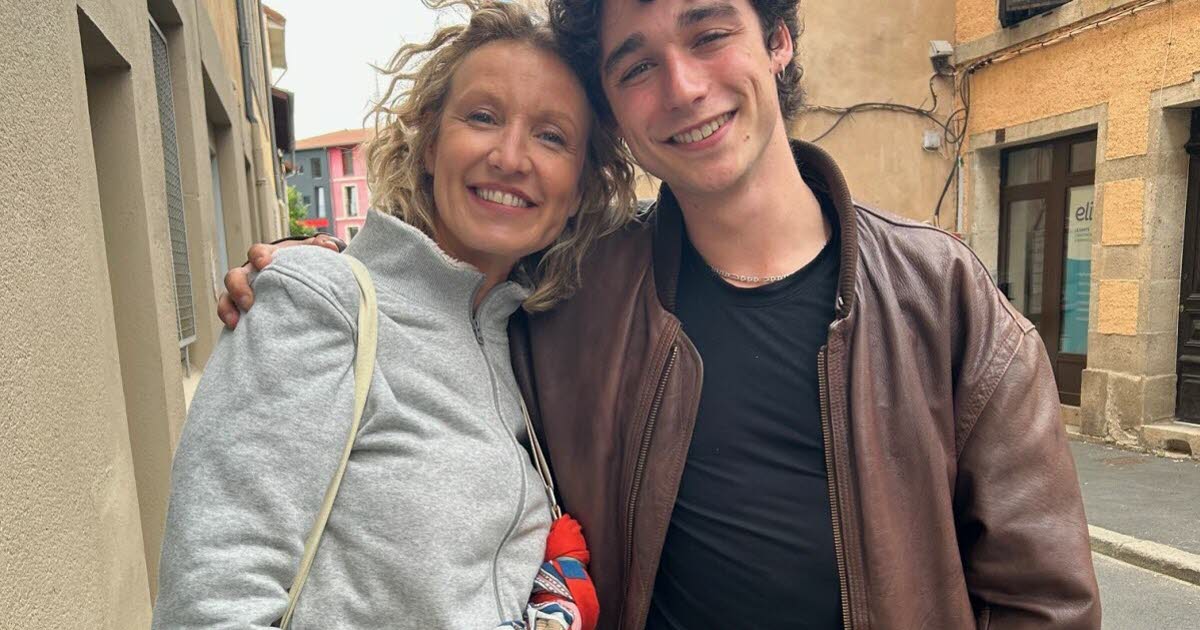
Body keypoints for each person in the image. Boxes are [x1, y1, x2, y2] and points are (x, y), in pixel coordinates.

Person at [223, 0, 1102, 628]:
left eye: (710, 33)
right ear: (618, 111)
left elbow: (1044, 602)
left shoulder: (948, 305)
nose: (681, 87)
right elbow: (449, 299)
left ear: (779, 42)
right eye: (636, 63)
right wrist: (326, 281)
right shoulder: (571, 298)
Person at [154, 2, 633, 628]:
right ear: (430, 142)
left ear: (578, 190)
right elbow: (211, 602)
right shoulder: (321, 305)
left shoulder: (525, 337)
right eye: (484, 117)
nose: (512, 157)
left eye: (551, 136)